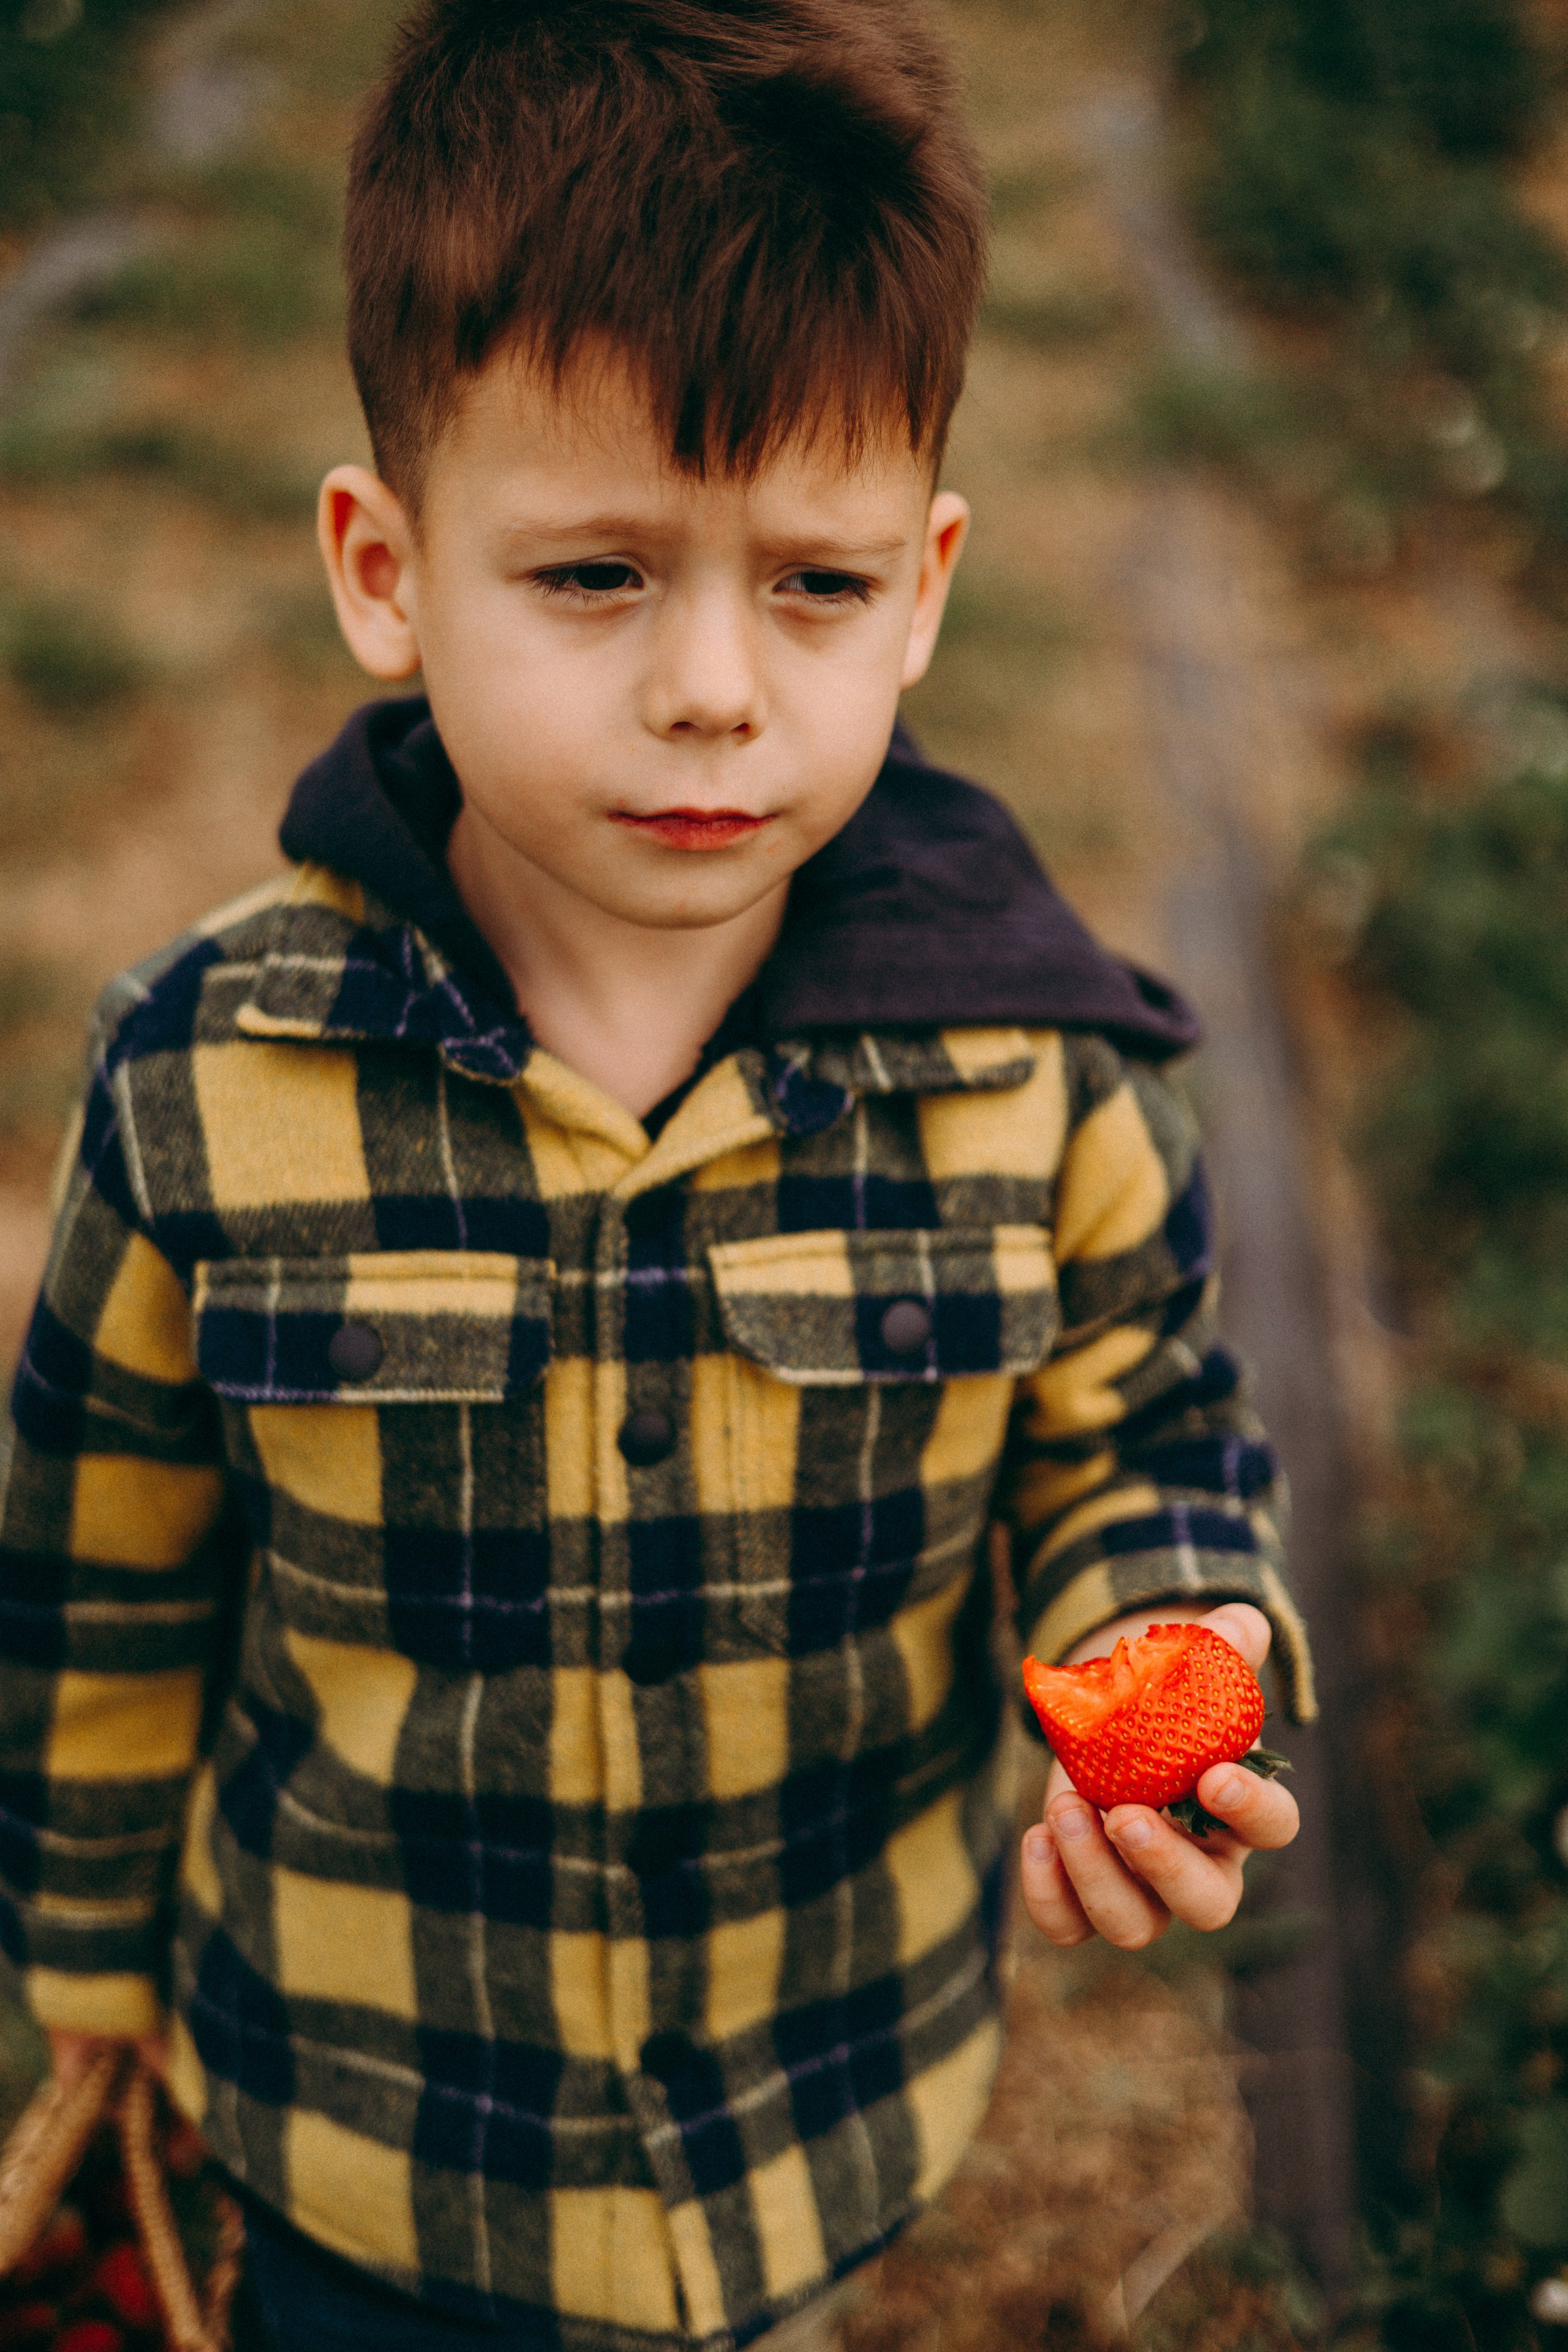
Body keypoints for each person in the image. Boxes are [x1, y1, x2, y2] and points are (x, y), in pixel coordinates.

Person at [0, 2, 1311, 2344]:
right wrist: (92, 1978)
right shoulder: (207, 1082)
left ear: (923, 583)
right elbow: (104, 1570)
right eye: (595, 575)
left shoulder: (1038, 1084)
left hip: (807, 2126)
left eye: (810, 585)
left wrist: (1174, 1636)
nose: (715, 685)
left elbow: (1143, 1424)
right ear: (385, 569)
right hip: (360, 2131)